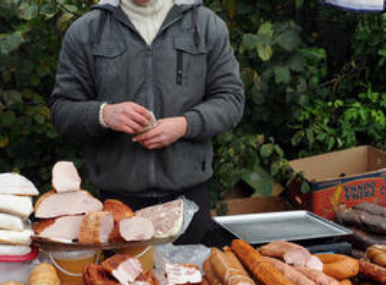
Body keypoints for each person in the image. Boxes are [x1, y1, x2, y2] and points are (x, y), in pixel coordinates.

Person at [50, 0, 244, 244]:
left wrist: (185, 125)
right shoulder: (87, 31)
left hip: (189, 202)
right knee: (120, 280)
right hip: (116, 206)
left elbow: (231, 100)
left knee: (191, 279)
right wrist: (103, 114)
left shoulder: (205, 25)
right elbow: (62, 110)